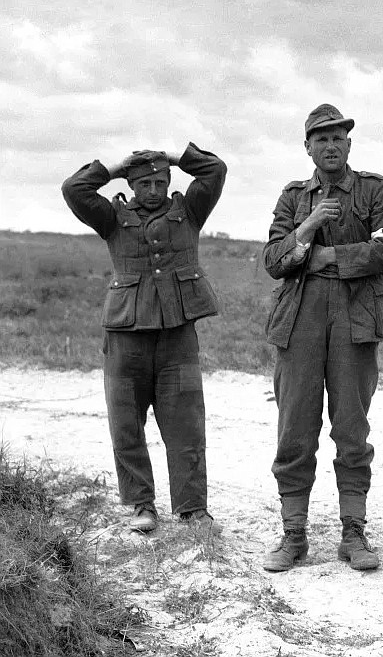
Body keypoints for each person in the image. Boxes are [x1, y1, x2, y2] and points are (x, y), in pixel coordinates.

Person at [262, 104, 383, 573]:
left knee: (351, 427)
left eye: (338, 138)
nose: (330, 146)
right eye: (320, 139)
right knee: (295, 427)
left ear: (349, 144)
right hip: (299, 319)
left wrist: (326, 257)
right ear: (307, 147)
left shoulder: (372, 188)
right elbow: (273, 259)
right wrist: (305, 228)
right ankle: (294, 533)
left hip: (355, 319)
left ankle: (353, 532)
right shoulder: (293, 197)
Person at [61, 144, 227, 532]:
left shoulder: (190, 210)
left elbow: (215, 169)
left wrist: (173, 156)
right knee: (126, 424)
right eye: (143, 183)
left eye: (159, 181)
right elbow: (74, 189)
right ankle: (141, 505)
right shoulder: (112, 217)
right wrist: (113, 167)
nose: (153, 189)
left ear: (169, 182)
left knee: (186, 425)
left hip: (178, 336)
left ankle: (192, 509)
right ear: (130, 184)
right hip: (125, 337)